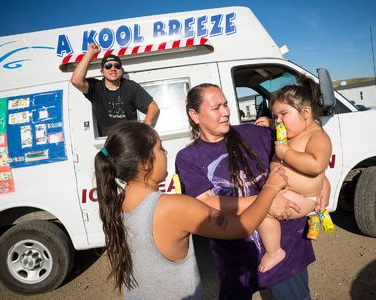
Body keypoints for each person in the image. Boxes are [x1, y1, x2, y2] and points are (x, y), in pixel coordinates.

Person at [94, 121, 289, 299]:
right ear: (145, 164)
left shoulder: (116, 205)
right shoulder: (173, 206)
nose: (165, 152)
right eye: (160, 148)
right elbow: (241, 227)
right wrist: (270, 188)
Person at [175, 83, 329, 300]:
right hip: (237, 261)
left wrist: (323, 184)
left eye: (226, 105)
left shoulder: (255, 133)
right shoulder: (189, 157)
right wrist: (266, 199)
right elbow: (206, 202)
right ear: (195, 115)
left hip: (287, 252)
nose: (226, 112)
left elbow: (302, 154)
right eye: (216, 107)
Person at [255, 75, 332, 273]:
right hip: (287, 191)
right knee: (261, 204)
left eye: (283, 114)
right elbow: (285, 126)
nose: (279, 121)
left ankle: (274, 251)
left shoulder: (317, 136)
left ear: (305, 112)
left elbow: (316, 165)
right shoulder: (295, 130)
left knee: (261, 211)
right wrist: (271, 124)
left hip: (304, 197)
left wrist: (286, 153)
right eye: (276, 116)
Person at [71, 43, 160, 136]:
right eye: (108, 66)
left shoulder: (130, 87)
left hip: (129, 141)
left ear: (121, 71)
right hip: (108, 143)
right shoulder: (96, 88)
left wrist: (143, 133)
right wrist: (90, 53)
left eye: (117, 66)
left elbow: (154, 108)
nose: (113, 69)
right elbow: (76, 80)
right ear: (102, 72)